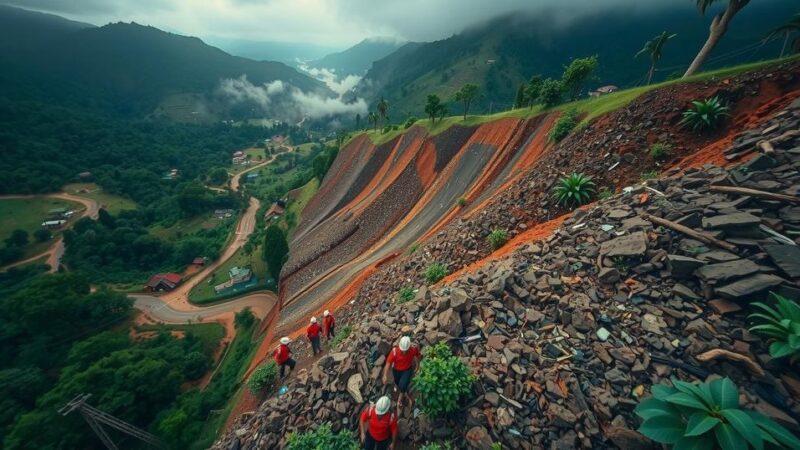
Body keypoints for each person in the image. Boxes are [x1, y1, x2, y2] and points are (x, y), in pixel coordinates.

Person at [382, 336, 421, 409]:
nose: (404, 352)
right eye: (403, 350)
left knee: (403, 385)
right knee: (397, 382)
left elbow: (417, 356)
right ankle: (398, 387)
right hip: (396, 370)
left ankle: (400, 399)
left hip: (407, 369)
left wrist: (418, 367)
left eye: (406, 350)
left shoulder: (413, 349)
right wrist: (385, 375)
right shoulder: (394, 352)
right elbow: (388, 364)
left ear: (409, 347)